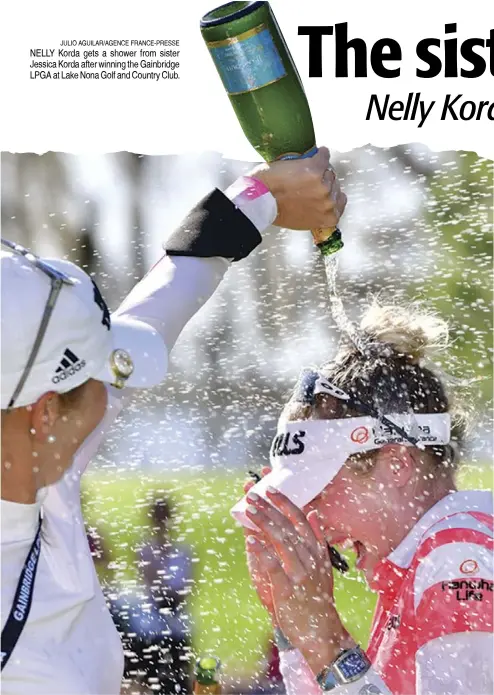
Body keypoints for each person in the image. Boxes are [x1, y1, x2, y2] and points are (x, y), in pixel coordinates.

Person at [0, 149, 347, 695]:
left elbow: (159, 305)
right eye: (104, 375)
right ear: (44, 414)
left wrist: (260, 194)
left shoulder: (35, 452)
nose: (119, 386)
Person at [237, 300, 493, 694]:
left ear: (396, 464)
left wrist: (327, 642)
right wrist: (295, 628)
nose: (314, 526)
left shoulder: (456, 559)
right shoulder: (427, 556)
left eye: (317, 493)